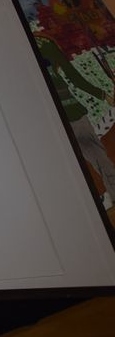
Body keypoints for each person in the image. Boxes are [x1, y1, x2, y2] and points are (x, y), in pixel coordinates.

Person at [34, 32, 115, 209]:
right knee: (96, 157)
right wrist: (103, 95)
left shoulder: (41, 44)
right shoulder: (44, 42)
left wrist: (103, 95)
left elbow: (73, 76)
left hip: (59, 115)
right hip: (68, 112)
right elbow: (73, 76)